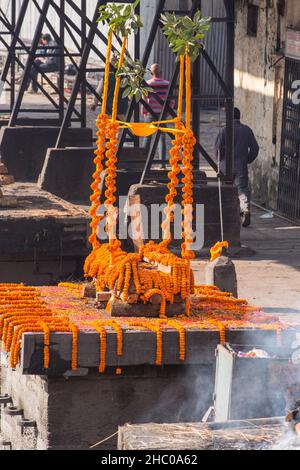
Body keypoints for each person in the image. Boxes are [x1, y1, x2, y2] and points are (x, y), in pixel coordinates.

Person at [215, 107, 259, 227]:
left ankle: (227, 216)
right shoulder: (246, 130)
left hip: (225, 167)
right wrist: (248, 159)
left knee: (226, 190)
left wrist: (220, 162)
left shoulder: (223, 131)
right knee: (242, 189)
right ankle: (245, 210)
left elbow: (218, 150)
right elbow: (255, 148)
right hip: (241, 165)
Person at [143, 64, 172, 169]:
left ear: (151, 73)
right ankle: (162, 164)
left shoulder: (148, 84)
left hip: (151, 113)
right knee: (161, 138)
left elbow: (145, 99)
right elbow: (172, 100)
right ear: (161, 72)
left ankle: (143, 162)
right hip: (162, 113)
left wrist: (145, 111)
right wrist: (168, 112)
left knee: (147, 137)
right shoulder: (167, 84)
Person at [90, 56, 128, 121]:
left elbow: (99, 90)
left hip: (109, 106)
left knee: (109, 127)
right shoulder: (125, 76)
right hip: (121, 107)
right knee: (120, 126)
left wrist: (95, 103)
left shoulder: (107, 76)